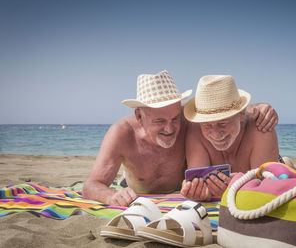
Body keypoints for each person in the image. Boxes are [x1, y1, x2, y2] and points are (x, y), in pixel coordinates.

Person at [83, 71, 278, 206]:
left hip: (182, 188)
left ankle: (282, 161)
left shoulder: (192, 119)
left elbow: (223, 110)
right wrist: (111, 196)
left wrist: (260, 108)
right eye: (159, 121)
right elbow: (91, 185)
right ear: (139, 116)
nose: (170, 128)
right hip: (132, 188)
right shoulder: (121, 133)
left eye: (176, 118)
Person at [181, 75, 280, 201]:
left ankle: (285, 162)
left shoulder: (261, 129)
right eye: (207, 125)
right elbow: (199, 184)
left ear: (242, 115)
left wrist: (237, 186)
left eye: (223, 123)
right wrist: (199, 192)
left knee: (284, 169)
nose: (216, 135)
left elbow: (266, 188)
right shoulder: (195, 132)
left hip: (272, 164)